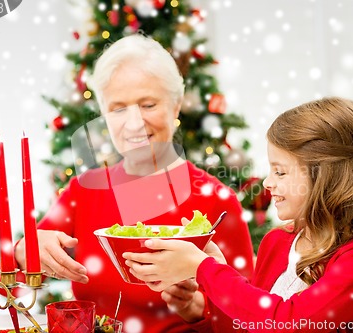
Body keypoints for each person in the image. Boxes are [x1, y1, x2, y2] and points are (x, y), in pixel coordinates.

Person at [13, 34, 254, 333]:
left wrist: (198, 310)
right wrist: (24, 251)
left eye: (149, 104)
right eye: (118, 108)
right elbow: (9, 283)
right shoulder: (83, 191)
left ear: (176, 106)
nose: (135, 123)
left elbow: (249, 319)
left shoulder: (217, 199)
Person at [123, 97, 353, 332]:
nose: (267, 183)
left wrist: (205, 268)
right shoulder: (277, 242)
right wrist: (198, 307)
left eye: (280, 171)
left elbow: (287, 322)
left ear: (326, 177)